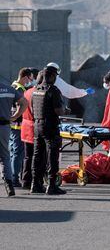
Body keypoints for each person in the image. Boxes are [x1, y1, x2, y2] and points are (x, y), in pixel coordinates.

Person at [31, 66, 66, 195]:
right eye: (55, 76)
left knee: (37, 155)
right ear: (51, 76)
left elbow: (32, 108)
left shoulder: (36, 90)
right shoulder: (53, 90)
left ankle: (35, 184)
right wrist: (64, 111)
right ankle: (51, 185)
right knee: (52, 155)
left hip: (37, 125)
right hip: (50, 125)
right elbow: (58, 110)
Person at [0, 80, 28, 196]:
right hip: (4, 127)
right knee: (5, 156)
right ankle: (9, 185)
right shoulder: (9, 90)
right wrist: (15, 116)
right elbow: (24, 102)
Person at [9, 67, 34, 187]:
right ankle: (14, 178)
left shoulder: (12, 85)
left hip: (12, 125)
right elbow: (21, 106)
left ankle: (10, 176)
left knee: (13, 151)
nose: (31, 81)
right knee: (18, 153)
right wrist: (15, 116)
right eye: (30, 78)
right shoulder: (20, 89)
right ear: (25, 77)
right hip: (18, 125)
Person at [21, 69, 42, 189]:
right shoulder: (38, 93)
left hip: (25, 126)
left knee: (27, 156)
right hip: (35, 127)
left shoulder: (27, 92)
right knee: (37, 156)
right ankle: (35, 181)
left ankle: (25, 180)